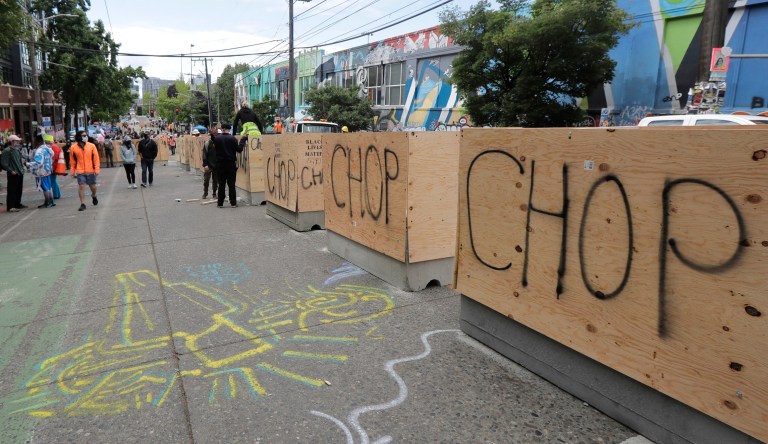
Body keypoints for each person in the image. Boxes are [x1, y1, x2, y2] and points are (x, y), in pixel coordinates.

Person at [70, 130, 100, 211]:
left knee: (93, 187)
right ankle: (82, 203)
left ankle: (93, 195)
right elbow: (72, 161)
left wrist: (96, 169)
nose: (85, 137)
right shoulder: (73, 147)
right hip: (80, 171)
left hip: (90, 170)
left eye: (86, 135)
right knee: (81, 186)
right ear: (79, 137)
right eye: (83, 135)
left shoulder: (92, 146)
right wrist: (72, 171)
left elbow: (96, 159)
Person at [214, 123, 242, 208]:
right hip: (231, 164)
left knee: (221, 184)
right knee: (231, 184)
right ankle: (233, 203)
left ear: (222, 129)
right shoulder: (233, 139)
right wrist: (243, 140)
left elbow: (215, 150)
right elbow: (239, 150)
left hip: (220, 164)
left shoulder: (217, 139)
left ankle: (220, 203)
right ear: (229, 129)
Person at [27, 134, 55, 209]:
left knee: (44, 187)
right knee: (49, 186)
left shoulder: (39, 150)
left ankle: (47, 202)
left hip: (41, 172)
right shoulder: (48, 148)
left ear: (39, 141)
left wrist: (28, 164)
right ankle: (51, 201)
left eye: (35, 141)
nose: (34, 142)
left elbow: (39, 162)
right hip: (48, 170)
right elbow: (52, 156)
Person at [1, 135, 26, 212]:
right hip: (13, 173)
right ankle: (11, 206)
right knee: (12, 190)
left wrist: (22, 168)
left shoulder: (17, 149)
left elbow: (20, 160)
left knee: (19, 189)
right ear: (12, 141)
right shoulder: (7, 151)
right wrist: (11, 171)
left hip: (19, 172)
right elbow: (4, 163)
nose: (18, 142)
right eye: (16, 141)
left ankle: (17, 204)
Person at [45, 134, 67, 200]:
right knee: (53, 181)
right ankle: (57, 194)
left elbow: (53, 158)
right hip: (54, 166)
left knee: (52, 181)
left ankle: (55, 195)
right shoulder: (55, 146)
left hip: (53, 167)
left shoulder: (52, 147)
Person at [202, 131, 218, 199]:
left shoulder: (219, 143)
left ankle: (214, 193)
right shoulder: (207, 143)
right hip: (208, 165)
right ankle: (205, 193)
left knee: (215, 181)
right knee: (206, 180)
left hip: (216, 166)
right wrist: (205, 165)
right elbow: (204, 155)